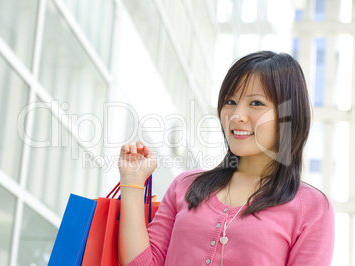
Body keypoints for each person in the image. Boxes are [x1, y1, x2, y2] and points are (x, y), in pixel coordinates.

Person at [117, 51, 335, 266]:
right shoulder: (185, 186)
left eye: (256, 103)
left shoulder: (312, 209)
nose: (236, 115)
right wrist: (132, 183)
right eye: (230, 101)